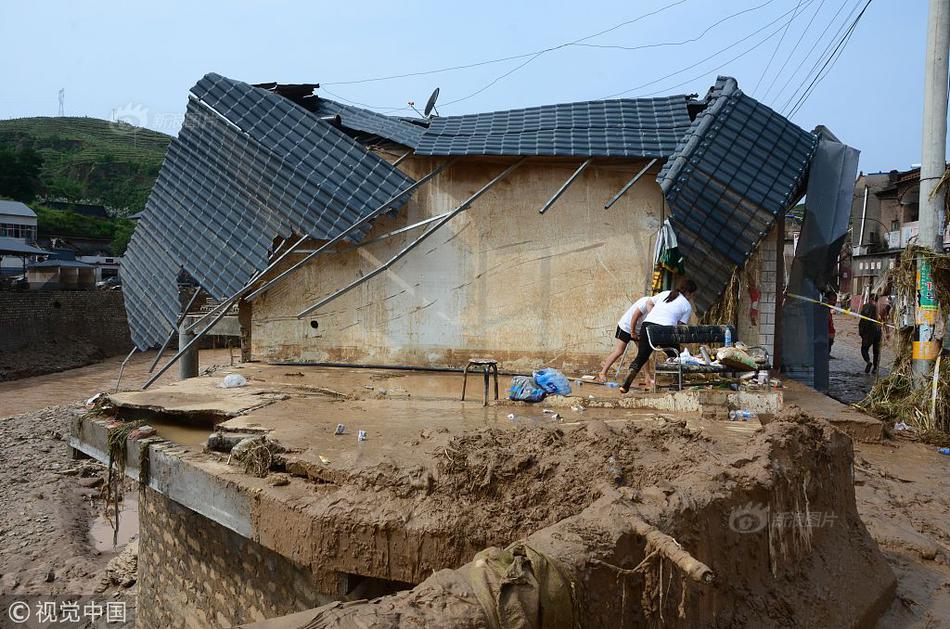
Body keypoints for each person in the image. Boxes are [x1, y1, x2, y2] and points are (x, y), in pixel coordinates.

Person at [619, 279, 698, 393]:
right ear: (689, 293)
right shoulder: (687, 306)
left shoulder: (666, 293)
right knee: (675, 356)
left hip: (647, 326)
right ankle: (676, 383)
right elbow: (680, 326)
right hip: (666, 329)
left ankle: (626, 384)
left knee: (641, 357)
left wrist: (652, 315)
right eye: (693, 294)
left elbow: (649, 302)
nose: (692, 297)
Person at [597, 295, 654, 383]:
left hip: (639, 329)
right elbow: (634, 317)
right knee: (619, 351)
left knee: (644, 353)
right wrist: (632, 332)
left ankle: (647, 377)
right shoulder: (646, 302)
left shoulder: (659, 308)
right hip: (626, 326)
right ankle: (603, 372)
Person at [859, 295, 882, 374]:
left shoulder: (866, 306)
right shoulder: (880, 308)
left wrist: (862, 332)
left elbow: (863, 319)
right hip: (878, 331)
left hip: (868, 331)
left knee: (864, 349)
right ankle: (875, 368)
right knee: (876, 351)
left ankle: (868, 361)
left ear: (870, 299)